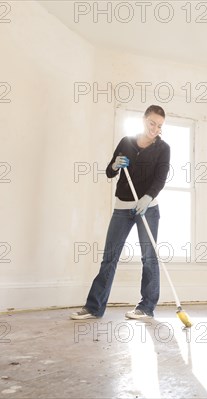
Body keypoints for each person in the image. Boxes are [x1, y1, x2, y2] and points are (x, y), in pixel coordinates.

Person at [70, 105, 170, 320]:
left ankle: (146, 307)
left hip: (148, 209)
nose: (155, 129)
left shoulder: (163, 148)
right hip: (122, 208)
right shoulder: (126, 142)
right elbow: (109, 171)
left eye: (159, 126)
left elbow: (160, 179)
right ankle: (93, 307)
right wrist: (115, 164)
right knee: (109, 257)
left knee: (149, 258)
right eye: (152, 123)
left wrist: (147, 198)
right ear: (144, 119)